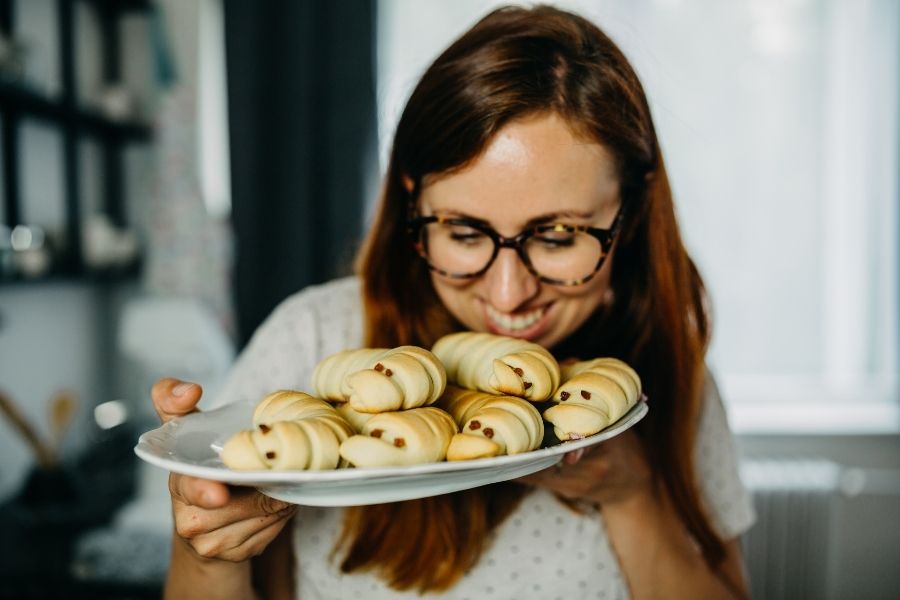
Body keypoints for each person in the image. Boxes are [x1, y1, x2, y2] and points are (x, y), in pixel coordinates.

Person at [153, 5, 755, 599]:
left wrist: (632, 495)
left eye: (558, 236)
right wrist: (208, 550)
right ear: (413, 203)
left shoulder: (673, 380)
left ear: (631, 214)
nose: (508, 294)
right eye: (465, 234)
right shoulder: (313, 340)